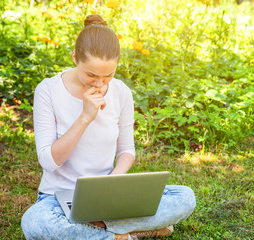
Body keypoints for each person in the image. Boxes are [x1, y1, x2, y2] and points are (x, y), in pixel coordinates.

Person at [21, 14, 196, 240]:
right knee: (35, 222)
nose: (100, 84)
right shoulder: (48, 91)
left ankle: (97, 230)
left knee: (185, 196)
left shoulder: (121, 92)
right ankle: (125, 234)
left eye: (108, 75)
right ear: (75, 57)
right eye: (91, 75)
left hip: (107, 196)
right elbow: (48, 161)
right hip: (58, 198)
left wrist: (112, 182)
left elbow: (126, 151)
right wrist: (85, 117)